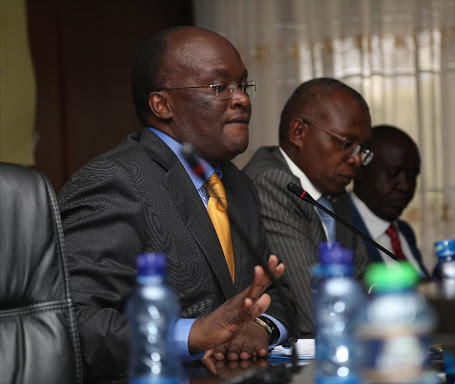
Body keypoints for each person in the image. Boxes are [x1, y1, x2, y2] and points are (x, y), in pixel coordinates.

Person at [58, 26, 294, 381]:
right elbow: (71, 322)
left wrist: (259, 328)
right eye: (219, 87)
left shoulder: (237, 184)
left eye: (242, 85)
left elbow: (277, 296)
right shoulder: (114, 180)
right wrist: (193, 335)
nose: (242, 99)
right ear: (161, 104)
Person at [243, 78, 373, 336]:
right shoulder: (271, 182)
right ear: (298, 133)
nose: (356, 160)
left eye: (361, 150)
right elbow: (312, 313)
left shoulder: (333, 187)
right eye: (347, 144)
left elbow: (362, 280)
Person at [350, 124, 429, 276]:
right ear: (359, 170)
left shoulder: (404, 232)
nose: (405, 186)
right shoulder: (337, 228)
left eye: (412, 177)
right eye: (393, 173)